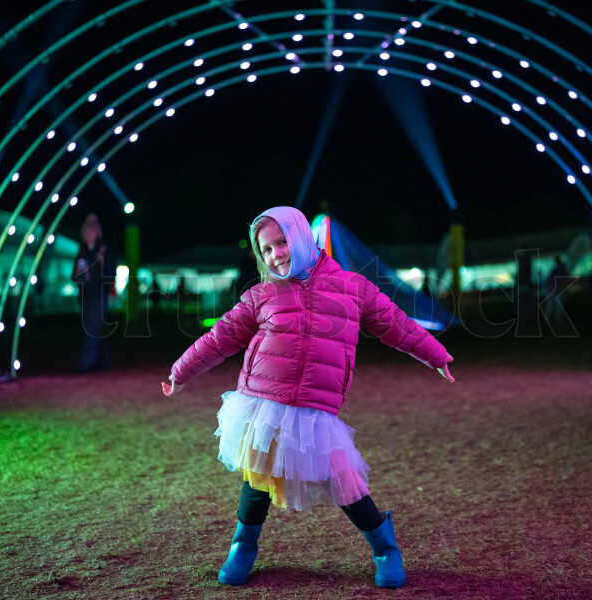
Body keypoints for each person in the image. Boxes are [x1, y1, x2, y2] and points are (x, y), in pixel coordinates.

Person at [161, 206, 454, 589]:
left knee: (343, 478)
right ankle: (243, 545)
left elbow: (395, 324)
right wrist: (180, 371)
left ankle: (384, 547)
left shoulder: (353, 287)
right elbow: (222, 337)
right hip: (263, 401)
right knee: (258, 477)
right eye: (266, 250)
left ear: (301, 237)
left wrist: (435, 355)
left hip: (317, 407)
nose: (275, 255)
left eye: (281, 242)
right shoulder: (261, 294)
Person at [72, 213, 117, 372]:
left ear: (98, 231)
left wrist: (101, 263)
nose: (89, 230)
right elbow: (75, 277)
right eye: (87, 226)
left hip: (99, 295)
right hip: (84, 296)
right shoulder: (81, 252)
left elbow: (110, 275)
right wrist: (80, 272)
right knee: (92, 328)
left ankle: (85, 364)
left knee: (92, 327)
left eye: (93, 226)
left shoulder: (105, 251)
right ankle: (101, 361)